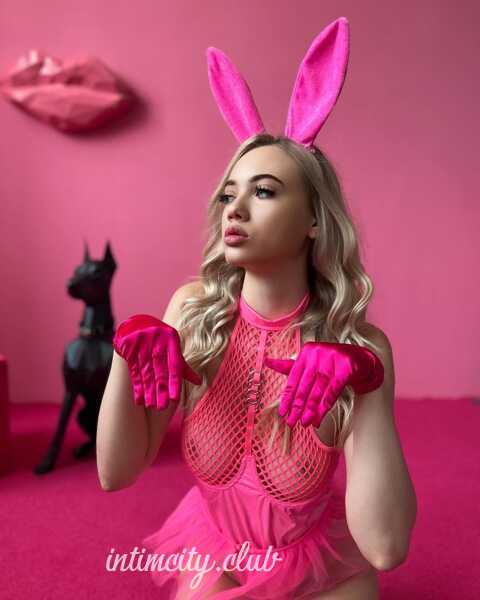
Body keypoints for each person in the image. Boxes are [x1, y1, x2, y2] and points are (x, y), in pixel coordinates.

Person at [97, 17, 416, 600]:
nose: (235, 208)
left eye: (264, 190)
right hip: (217, 547)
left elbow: (386, 546)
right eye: (229, 192)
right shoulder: (192, 311)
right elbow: (115, 473)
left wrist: (366, 388)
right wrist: (123, 356)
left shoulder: (358, 346)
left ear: (314, 218)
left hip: (319, 561)